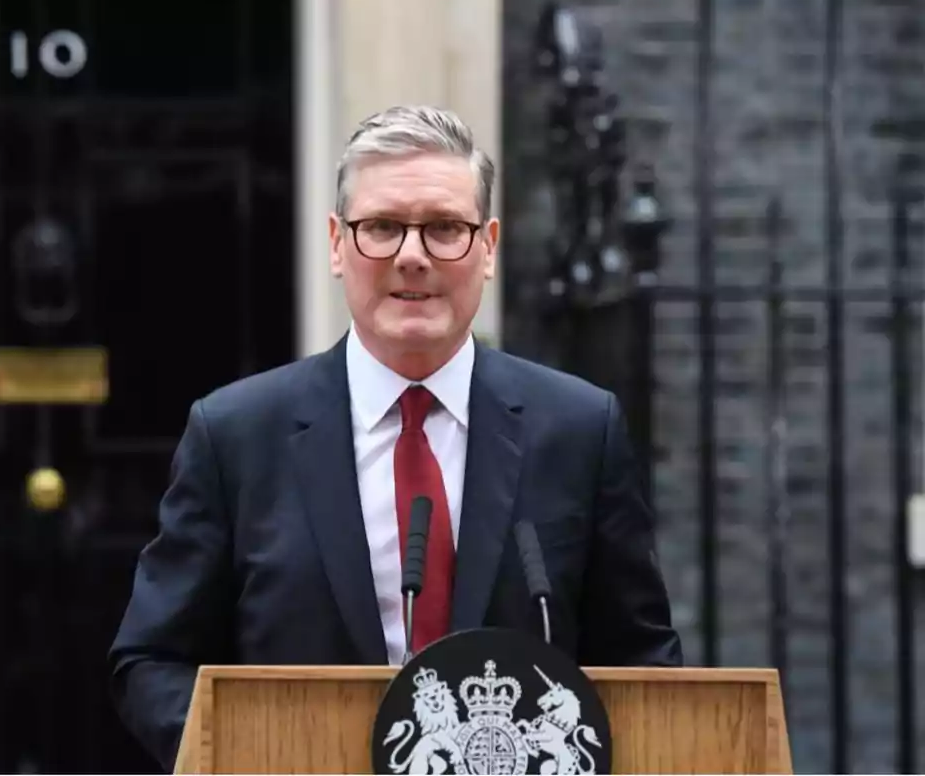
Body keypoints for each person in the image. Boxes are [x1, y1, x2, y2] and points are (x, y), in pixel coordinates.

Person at [108, 105, 683, 771]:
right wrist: (248, 753)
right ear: (336, 243)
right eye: (381, 227)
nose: (412, 256)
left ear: (488, 246)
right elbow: (151, 661)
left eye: (444, 228)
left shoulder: (581, 431)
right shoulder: (236, 436)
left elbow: (645, 667)